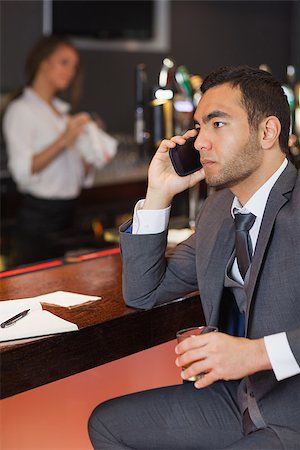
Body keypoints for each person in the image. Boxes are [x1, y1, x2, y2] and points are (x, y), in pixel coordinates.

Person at [88, 66, 300, 449]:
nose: (200, 142)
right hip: (239, 399)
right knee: (107, 425)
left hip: (293, 413)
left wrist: (256, 353)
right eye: (199, 126)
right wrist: (158, 194)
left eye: (217, 124)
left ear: (268, 132)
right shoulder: (219, 211)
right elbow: (144, 292)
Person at [2, 35, 117, 266]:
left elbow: (81, 177)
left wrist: (92, 145)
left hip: (71, 213)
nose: (71, 72)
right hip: (39, 220)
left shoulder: (62, 113)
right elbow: (22, 171)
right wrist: (65, 139)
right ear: (44, 62)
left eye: (74, 67)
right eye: (64, 62)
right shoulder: (21, 110)